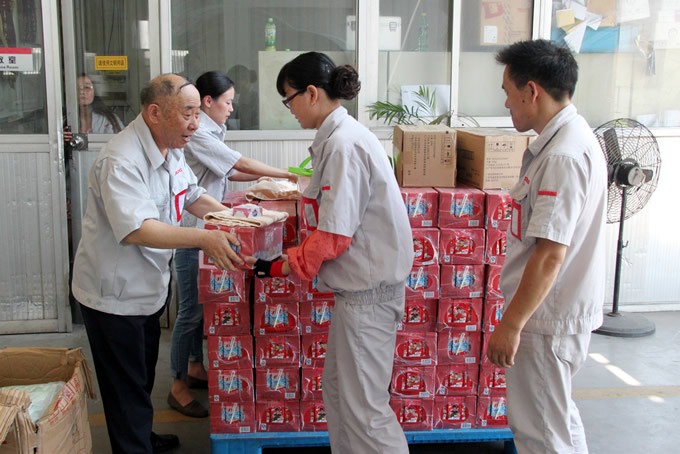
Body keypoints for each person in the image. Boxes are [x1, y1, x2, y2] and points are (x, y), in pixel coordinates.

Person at [71, 73, 246, 454]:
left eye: (197, 113)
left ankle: (142, 436)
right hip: (114, 296)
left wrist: (235, 218)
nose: (196, 123)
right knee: (125, 386)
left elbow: (191, 193)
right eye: (188, 113)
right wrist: (204, 237)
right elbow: (138, 229)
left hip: (148, 289)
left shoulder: (170, 145)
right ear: (155, 112)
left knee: (143, 375)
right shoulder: (121, 159)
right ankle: (134, 446)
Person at [251, 52, 414, 454]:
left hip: (368, 297)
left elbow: (334, 235)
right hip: (357, 295)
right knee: (339, 393)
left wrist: (281, 265)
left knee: (365, 410)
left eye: (288, 99)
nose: (289, 109)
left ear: (311, 93)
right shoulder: (338, 138)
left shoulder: (344, 145)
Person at [486, 39, 607, 453]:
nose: (507, 103)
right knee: (559, 422)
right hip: (556, 315)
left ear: (532, 91)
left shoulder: (562, 156)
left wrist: (511, 325)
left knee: (540, 434)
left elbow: (550, 254)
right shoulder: (572, 139)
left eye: (508, 92)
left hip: (545, 321)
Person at [167, 70, 294, 418]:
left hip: (208, 229)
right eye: (228, 102)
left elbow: (231, 171)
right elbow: (238, 162)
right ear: (208, 101)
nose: (231, 108)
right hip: (192, 233)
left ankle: (194, 366)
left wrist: (268, 180)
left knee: (199, 308)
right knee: (190, 312)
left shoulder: (211, 131)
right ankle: (176, 384)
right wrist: (287, 174)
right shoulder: (199, 134)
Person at [64, 74, 124, 143]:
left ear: (95, 91)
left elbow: (123, 142)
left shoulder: (109, 118)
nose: (82, 92)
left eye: (86, 87)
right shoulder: (65, 119)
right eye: (77, 88)